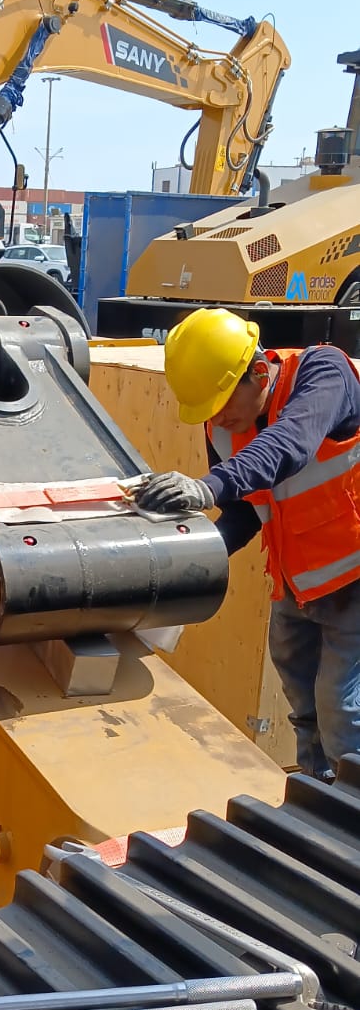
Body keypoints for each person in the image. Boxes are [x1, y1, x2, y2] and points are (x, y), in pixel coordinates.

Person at [133, 307, 360, 781]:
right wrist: (194, 558)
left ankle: (349, 812)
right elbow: (244, 511)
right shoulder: (224, 424)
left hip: (353, 579)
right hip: (297, 584)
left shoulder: (324, 373)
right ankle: (316, 794)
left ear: (258, 370)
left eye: (221, 403)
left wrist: (207, 488)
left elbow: (289, 445)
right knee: (303, 703)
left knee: (341, 711)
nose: (217, 418)